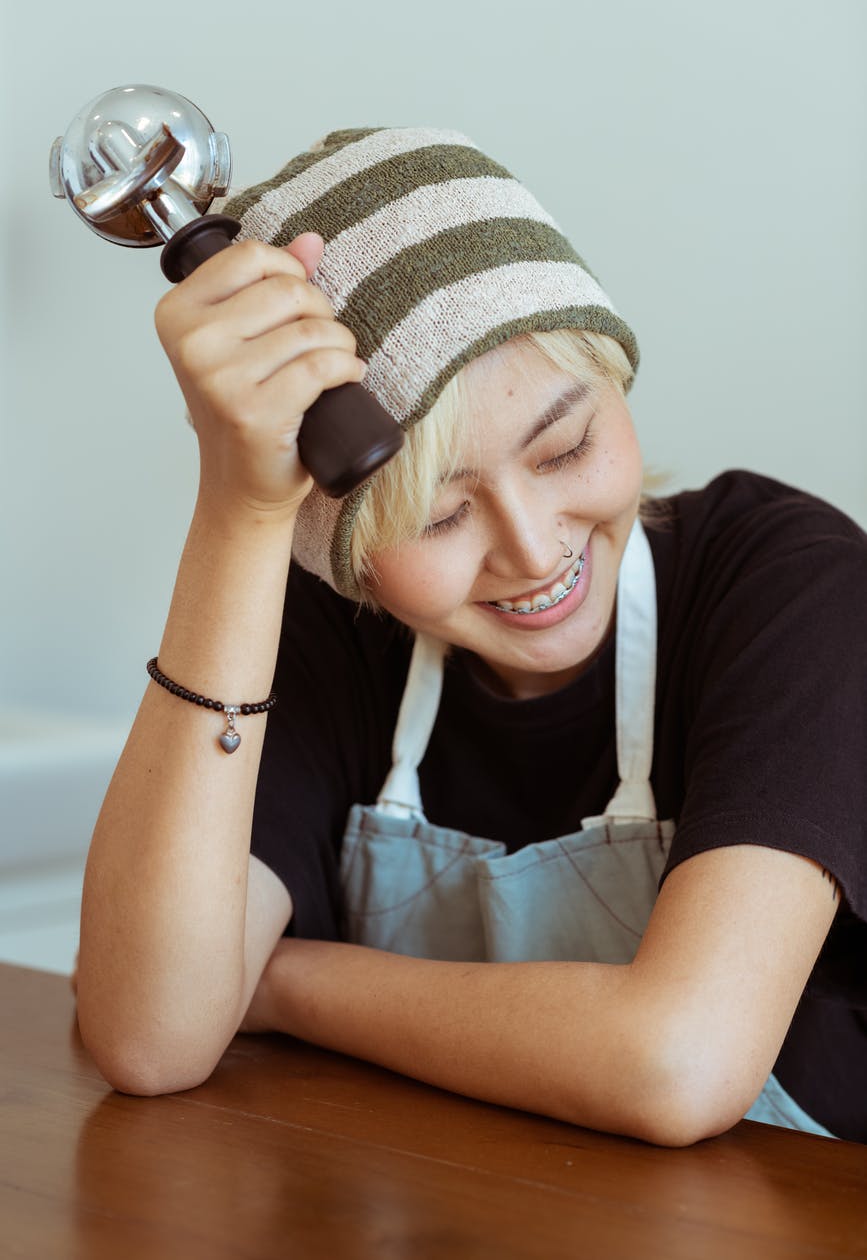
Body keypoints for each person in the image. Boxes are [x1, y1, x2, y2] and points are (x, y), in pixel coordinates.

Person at [75, 127, 867, 1146]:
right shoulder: (330, 631)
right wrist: (240, 510)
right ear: (342, 554)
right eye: (438, 517)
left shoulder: (787, 582)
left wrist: (281, 983)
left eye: (568, 443)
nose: (535, 551)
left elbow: (678, 1062)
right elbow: (147, 1037)